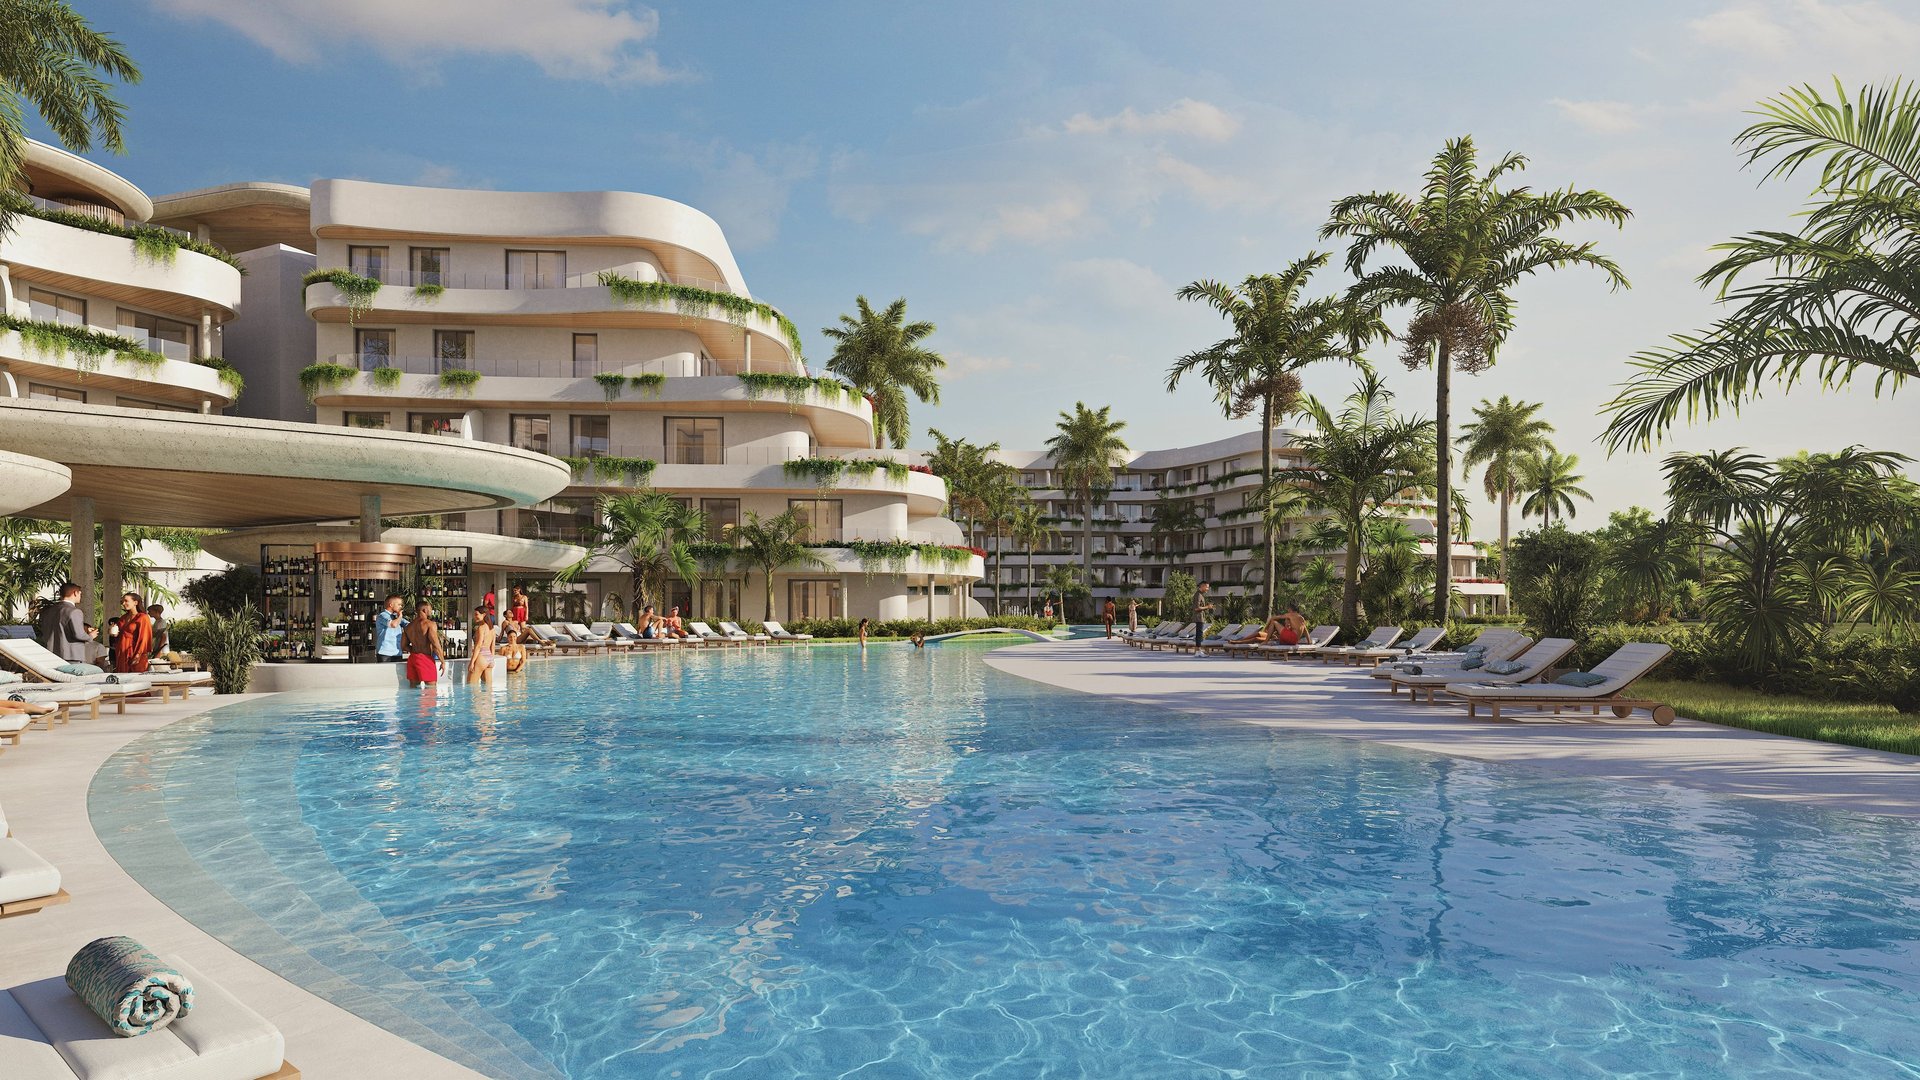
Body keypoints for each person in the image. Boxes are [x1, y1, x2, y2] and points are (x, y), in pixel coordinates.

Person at [35, 582, 94, 664]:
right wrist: (90, 636)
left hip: (51, 654)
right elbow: (78, 634)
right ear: (75, 593)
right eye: (80, 593)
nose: (81, 596)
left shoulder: (48, 611)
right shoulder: (75, 611)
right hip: (71, 655)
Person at [109, 592, 153, 673]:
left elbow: (144, 638)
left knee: (136, 677)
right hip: (122, 651)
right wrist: (113, 633)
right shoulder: (123, 617)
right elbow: (118, 634)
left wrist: (138, 655)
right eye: (122, 601)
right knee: (122, 677)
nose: (123, 603)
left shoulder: (142, 617)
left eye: (126, 601)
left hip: (135, 651)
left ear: (135, 602)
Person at [402, 603, 443, 688]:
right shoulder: (429, 624)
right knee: (431, 689)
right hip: (425, 658)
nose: (431, 611)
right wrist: (442, 661)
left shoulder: (408, 627)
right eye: (430, 609)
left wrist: (414, 650)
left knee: (413, 689)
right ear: (424, 610)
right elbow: (436, 644)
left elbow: (404, 646)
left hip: (413, 658)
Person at [466, 605, 497, 686]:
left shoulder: (481, 628)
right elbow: (492, 646)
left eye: (476, 614)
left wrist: (472, 662)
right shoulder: (492, 629)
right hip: (489, 657)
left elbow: (478, 646)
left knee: (470, 686)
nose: (474, 616)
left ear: (483, 615)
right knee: (488, 689)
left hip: (482, 656)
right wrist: (492, 659)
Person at [373, 594, 408, 663]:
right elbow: (393, 624)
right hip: (385, 653)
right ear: (391, 605)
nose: (400, 607)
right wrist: (400, 616)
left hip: (397, 652)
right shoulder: (382, 616)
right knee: (385, 673)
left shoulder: (396, 616)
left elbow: (409, 625)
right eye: (399, 604)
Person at [1193, 583, 1214, 650]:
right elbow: (1196, 608)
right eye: (1207, 587)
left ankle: (1198, 651)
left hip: (1200, 617)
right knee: (1199, 634)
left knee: (1199, 633)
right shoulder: (1198, 595)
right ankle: (1198, 651)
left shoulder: (1200, 595)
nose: (1207, 589)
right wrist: (1208, 607)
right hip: (1199, 617)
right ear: (1202, 586)